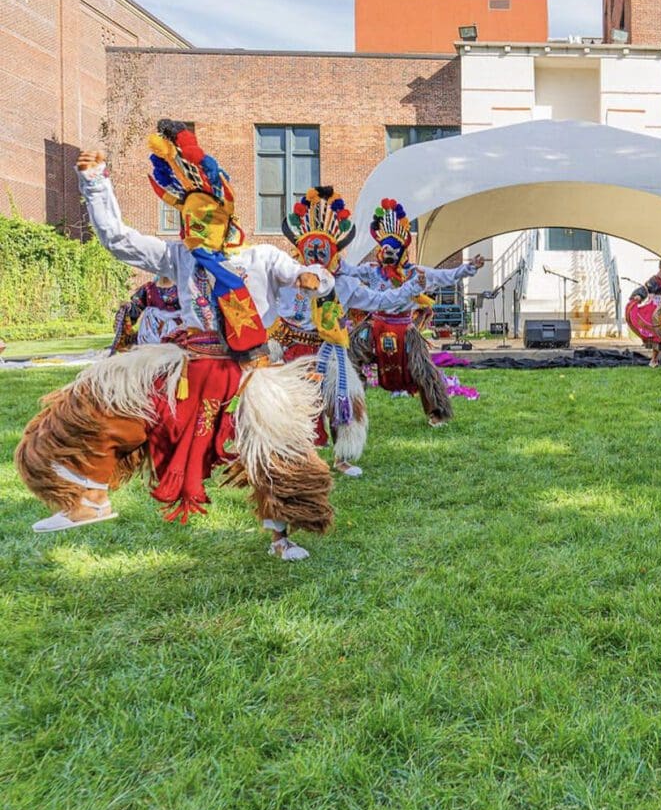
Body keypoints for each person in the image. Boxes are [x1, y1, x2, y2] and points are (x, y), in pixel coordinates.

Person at [15, 122, 335, 560]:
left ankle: (280, 536)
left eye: (206, 219)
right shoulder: (178, 256)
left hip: (251, 370)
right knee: (96, 393)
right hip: (189, 364)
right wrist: (95, 184)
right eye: (190, 220)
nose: (197, 228)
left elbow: (309, 277)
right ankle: (89, 498)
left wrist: (311, 276)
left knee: (278, 454)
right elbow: (118, 240)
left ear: (226, 217)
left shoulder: (260, 256)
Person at [270, 186, 424, 477]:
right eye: (310, 250)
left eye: (322, 250)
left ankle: (343, 458)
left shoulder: (343, 283)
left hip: (330, 351)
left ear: (332, 254)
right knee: (296, 406)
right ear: (301, 252)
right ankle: (301, 458)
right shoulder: (286, 278)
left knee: (347, 401)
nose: (316, 255)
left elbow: (381, 300)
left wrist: (411, 288)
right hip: (292, 349)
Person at [347, 198, 483, 426]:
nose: (389, 252)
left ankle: (436, 412)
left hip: (405, 330)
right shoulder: (371, 271)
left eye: (394, 249)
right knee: (349, 357)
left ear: (402, 251)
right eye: (385, 248)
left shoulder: (415, 273)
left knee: (424, 368)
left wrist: (469, 267)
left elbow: (446, 276)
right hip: (375, 326)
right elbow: (348, 271)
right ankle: (352, 409)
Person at [625, 258, 661, 365]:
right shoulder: (654, 280)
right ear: (660, 267)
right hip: (657, 308)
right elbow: (646, 289)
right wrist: (639, 296)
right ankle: (654, 359)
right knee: (657, 335)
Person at [110, 273, 182, 350]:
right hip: (148, 331)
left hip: (173, 333)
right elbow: (136, 307)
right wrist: (128, 307)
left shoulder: (181, 289)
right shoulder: (148, 288)